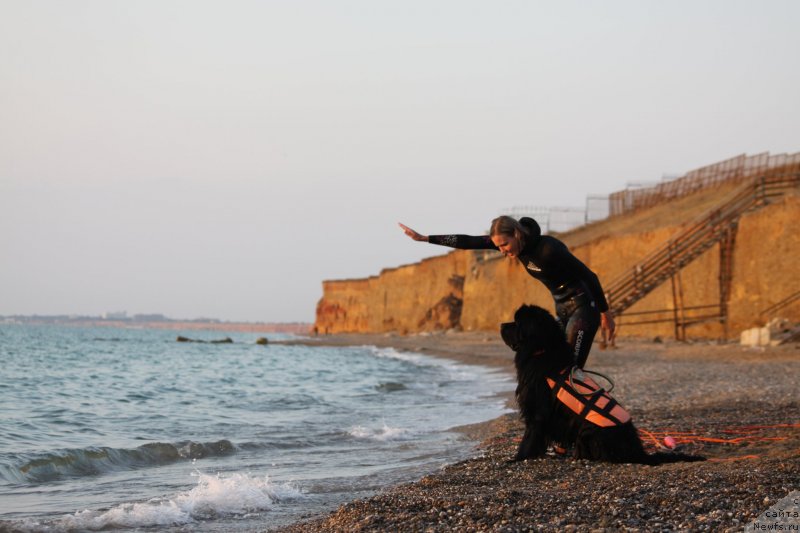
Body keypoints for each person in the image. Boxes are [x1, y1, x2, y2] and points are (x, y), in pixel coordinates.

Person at [398, 216, 615, 368]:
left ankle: (587, 422)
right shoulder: (512, 245)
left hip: (584, 308)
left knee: (570, 369)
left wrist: (605, 314)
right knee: (550, 364)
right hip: (562, 309)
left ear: (516, 234)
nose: (502, 250)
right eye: (498, 247)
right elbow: (468, 241)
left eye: (504, 245)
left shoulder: (549, 249)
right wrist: (425, 238)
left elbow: (589, 276)